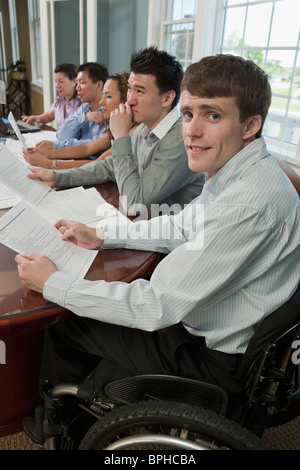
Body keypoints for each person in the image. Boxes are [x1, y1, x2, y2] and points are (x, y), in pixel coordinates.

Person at [16, 54, 300, 408]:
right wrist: (104, 236)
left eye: (213, 115)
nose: (192, 131)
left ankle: (61, 421)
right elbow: (182, 224)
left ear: (250, 125)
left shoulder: (247, 203)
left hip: (213, 358)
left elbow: (155, 306)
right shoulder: (238, 170)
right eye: (189, 114)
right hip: (204, 319)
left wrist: (52, 283)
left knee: (68, 323)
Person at [25, 47, 204, 213]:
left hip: (172, 238)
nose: (130, 100)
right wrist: (57, 177)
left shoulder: (180, 138)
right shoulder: (144, 127)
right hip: (148, 224)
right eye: (129, 89)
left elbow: (134, 203)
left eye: (140, 92)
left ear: (167, 98)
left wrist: (120, 138)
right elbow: (109, 166)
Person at [22, 72, 138, 169]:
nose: (101, 102)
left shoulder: (131, 131)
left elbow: (97, 164)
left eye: (108, 96)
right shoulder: (114, 129)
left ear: (125, 100)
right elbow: (86, 148)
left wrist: (46, 163)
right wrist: (46, 154)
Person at [34, 62, 109, 155]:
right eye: (77, 83)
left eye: (82, 83)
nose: (77, 88)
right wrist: (84, 117)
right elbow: (62, 135)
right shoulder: (85, 108)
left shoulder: (109, 111)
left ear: (99, 85)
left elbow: (95, 146)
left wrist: (55, 146)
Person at [21, 63, 81, 128]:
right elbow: (49, 116)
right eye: (56, 81)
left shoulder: (81, 103)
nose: (57, 86)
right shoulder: (59, 100)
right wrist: (36, 118)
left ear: (75, 81)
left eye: (61, 82)